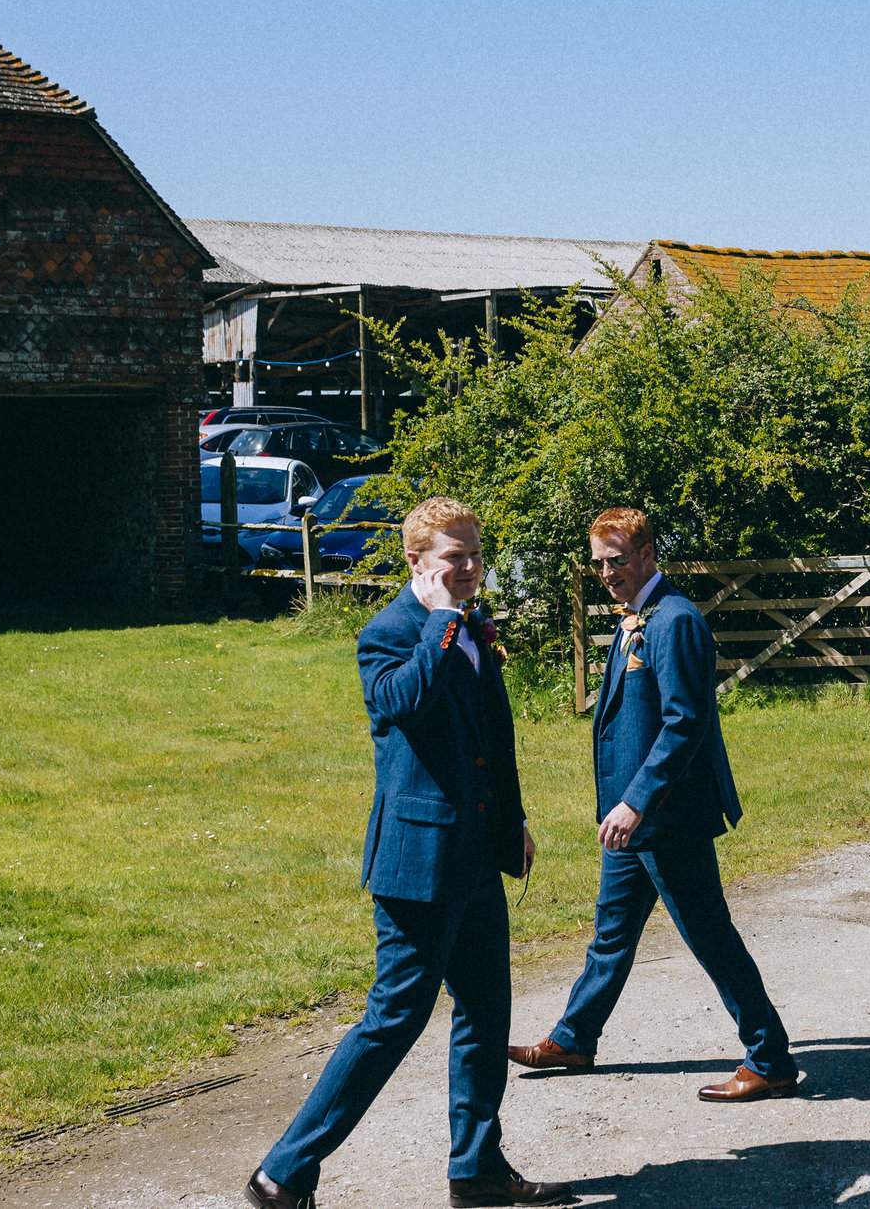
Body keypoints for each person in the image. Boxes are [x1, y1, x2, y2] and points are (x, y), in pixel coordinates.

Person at [248, 498, 573, 1209]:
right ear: (416, 561)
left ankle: (478, 1169)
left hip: (474, 855)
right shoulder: (391, 631)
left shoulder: (466, 628)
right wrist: (439, 622)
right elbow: (404, 702)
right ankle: (284, 1170)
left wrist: (512, 819)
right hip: (418, 864)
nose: (469, 567)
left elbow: (493, 736)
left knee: (487, 1009)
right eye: (454, 556)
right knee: (394, 1018)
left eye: (476, 554)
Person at [509, 508, 798, 1101]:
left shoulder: (675, 620)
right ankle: (574, 1037)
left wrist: (637, 802)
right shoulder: (634, 619)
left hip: (666, 817)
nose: (607, 572)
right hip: (630, 823)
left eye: (617, 559)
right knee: (610, 935)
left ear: (646, 555)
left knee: (709, 935)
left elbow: (684, 723)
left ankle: (769, 1057)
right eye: (599, 563)